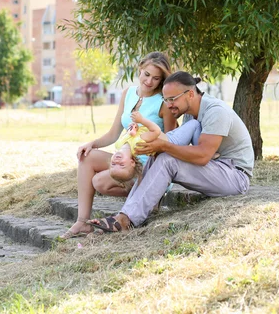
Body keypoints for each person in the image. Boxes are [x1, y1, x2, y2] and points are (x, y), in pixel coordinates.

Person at [88, 71, 254, 233]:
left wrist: (164, 146)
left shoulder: (215, 111)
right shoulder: (190, 114)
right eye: (166, 100)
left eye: (172, 99)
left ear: (190, 94)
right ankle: (124, 216)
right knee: (159, 155)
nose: (168, 105)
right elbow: (181, 147)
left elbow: (202, 156)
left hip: (235, 176)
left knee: (168, 158)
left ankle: (126, 219)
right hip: (216, 169)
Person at [60, 51, 175, 239]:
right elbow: (114, 134)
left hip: (146, 164)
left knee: (99, 181)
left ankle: (148, 197)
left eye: (156, 78)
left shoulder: (163, 102)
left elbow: (171, 140)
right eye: (146, 75)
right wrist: (92, 143)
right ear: (140, 68)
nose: (149, 81)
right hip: (123, 157)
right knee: (86, 157)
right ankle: (82, 222)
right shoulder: (128, 93)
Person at [109, 110, 202, 186]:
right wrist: (141, 120)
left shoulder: (118, 144)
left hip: (168, 136)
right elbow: (156, 130)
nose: (117, 162)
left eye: (113, 164)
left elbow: (135, 133)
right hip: (173, 141)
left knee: (190, 121)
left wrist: (134, 127)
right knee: (194, 124)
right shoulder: (138, 145)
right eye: (121, 165)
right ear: (132, 162)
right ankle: (202, 150)